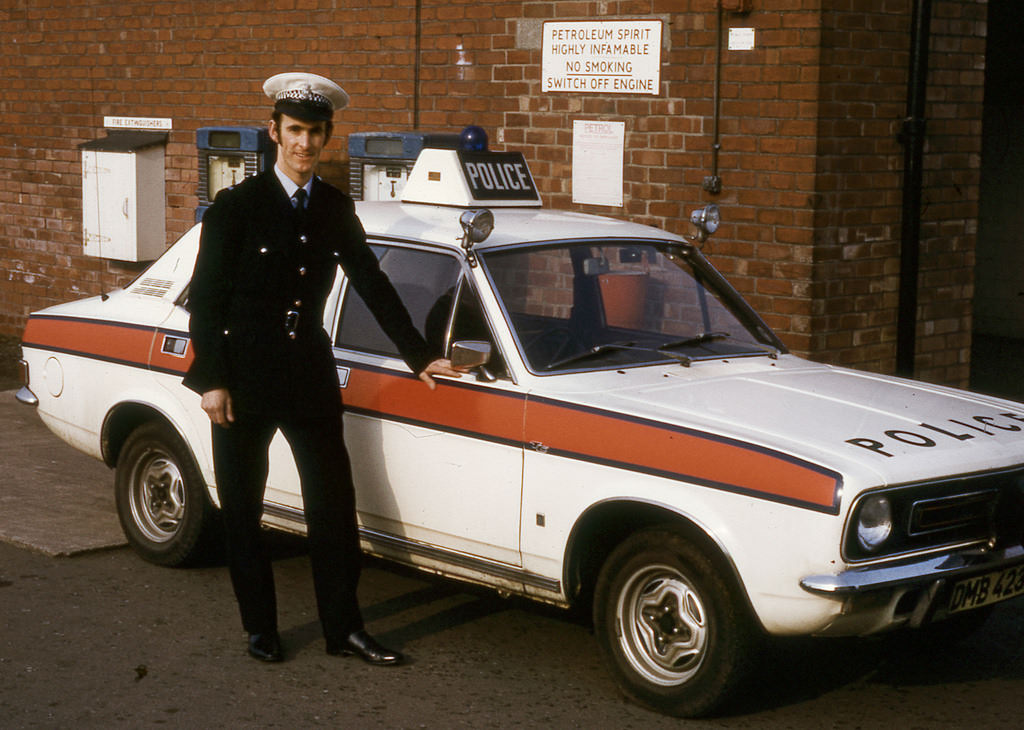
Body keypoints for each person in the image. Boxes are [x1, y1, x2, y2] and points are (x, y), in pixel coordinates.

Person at [183, 71, 462, 666]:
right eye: (293, 132)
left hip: (309, 373)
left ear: (327, 137)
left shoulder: (334, 207)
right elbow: (206, 299)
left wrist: (419, 355)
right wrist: (210, 379)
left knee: (334, 508)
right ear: (274, 133)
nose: (304, 144)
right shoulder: (238, 207)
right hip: (242, 379)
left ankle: (345, 630)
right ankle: (260, 628)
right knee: (243, 508)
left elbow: (374, 283)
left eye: (314, 133)